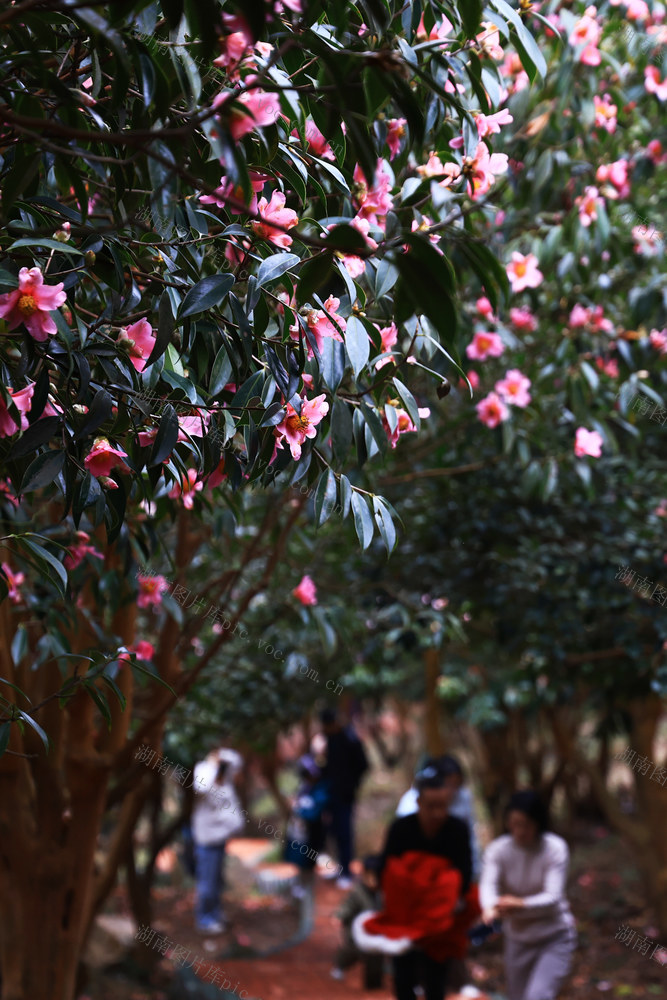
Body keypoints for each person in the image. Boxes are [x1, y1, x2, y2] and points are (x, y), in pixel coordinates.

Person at [361, 761, 475, 1000]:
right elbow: (386, 866)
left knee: (436, 978)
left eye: (443, 806)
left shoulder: (458, 830)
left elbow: (463, 873)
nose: (437, 814)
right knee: (403, 975)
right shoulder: (401, 828)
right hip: (405, 915)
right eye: (431, 806)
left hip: (439, 919)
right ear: (419, 803)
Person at [479, 790, 577, 1000]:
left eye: (526, 824)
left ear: (538, 823)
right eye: (514, 824)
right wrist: (489, 906)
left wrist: (521, 904)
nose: (519, 831)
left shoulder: (554, 848)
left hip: (553, 937)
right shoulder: (498, 851)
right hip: (517, 940)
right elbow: (488, 884)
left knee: (538, 996)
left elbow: (553, 896)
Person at [396, 754, 482, 881]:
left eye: (456, 785)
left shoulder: (463, 798)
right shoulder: (409, 805)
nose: (453, 790)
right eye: (432, 807)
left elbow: (471, 839)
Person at [191, 746, 246, 934]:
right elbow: (202, 786)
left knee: (216, 880)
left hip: (219, 839)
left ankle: (215, 912)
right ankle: (205, 918)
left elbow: (237, 761)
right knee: (207, 882)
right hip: (207, 840)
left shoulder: (226, 779)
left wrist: (222, 758)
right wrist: (212, 766)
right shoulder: (204, 774)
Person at [319, 707, 369, 888]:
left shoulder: (350, 739)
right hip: (330, 794)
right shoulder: (330, 739)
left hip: (345, 795)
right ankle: (339, 867)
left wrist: (351, 783)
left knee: (344, 831)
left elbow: (363, 765)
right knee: (332, 830)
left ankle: (347, 872)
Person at [330, 855, 385, 988]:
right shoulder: (358, 892)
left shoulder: (384, 893)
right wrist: (339, 916)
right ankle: (340, 965)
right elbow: (347, 906)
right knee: (350, 952)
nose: (373, 881)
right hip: (356, 934)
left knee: (376, 957)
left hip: (376, 934)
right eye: (370, 877)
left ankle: (373, 984)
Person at [284, 754, 330, 894]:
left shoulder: (321, 788)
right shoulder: (305, 787)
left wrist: (300, 809)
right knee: (299, 858)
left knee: (309, 859)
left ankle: (308, 887)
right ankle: (301, 885)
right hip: (301, 831)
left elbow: (316, 810)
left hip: (314, 830)